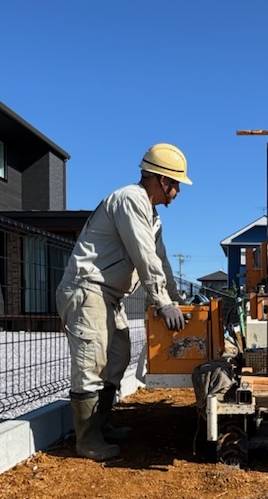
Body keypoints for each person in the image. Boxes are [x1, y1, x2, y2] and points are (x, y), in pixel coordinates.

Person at [56, 142, 192, 461]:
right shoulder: (130, 200)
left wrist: (176, 299)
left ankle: (100, 425)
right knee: (91, 362)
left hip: (108, 296)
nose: (178, 192)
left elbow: (160, 262)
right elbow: (143, 256)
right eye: (176, 185)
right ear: (162, 180)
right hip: (87, 288)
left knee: (117, 357)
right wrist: (161, 302)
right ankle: (87, 440)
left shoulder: (151, 216)